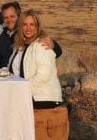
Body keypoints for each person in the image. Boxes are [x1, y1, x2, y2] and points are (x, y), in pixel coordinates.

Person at [8, 10, 69, 139]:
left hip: (43, 102)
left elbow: (43, 75)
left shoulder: (42, 45)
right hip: (26, 102)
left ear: (37, 27)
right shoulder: (18, 47)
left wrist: (23, 88)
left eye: (32, 25)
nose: (28, 28)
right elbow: (13, 70)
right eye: (25, 24)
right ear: (20, 27)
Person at [0, 2, 63, 68]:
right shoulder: (2, 36)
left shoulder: (26, 33)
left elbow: (57, 52)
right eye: (6, 17)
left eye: (12, 16)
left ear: (19, 16)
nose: (9, 20)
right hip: (3, 77)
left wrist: (53, 45)